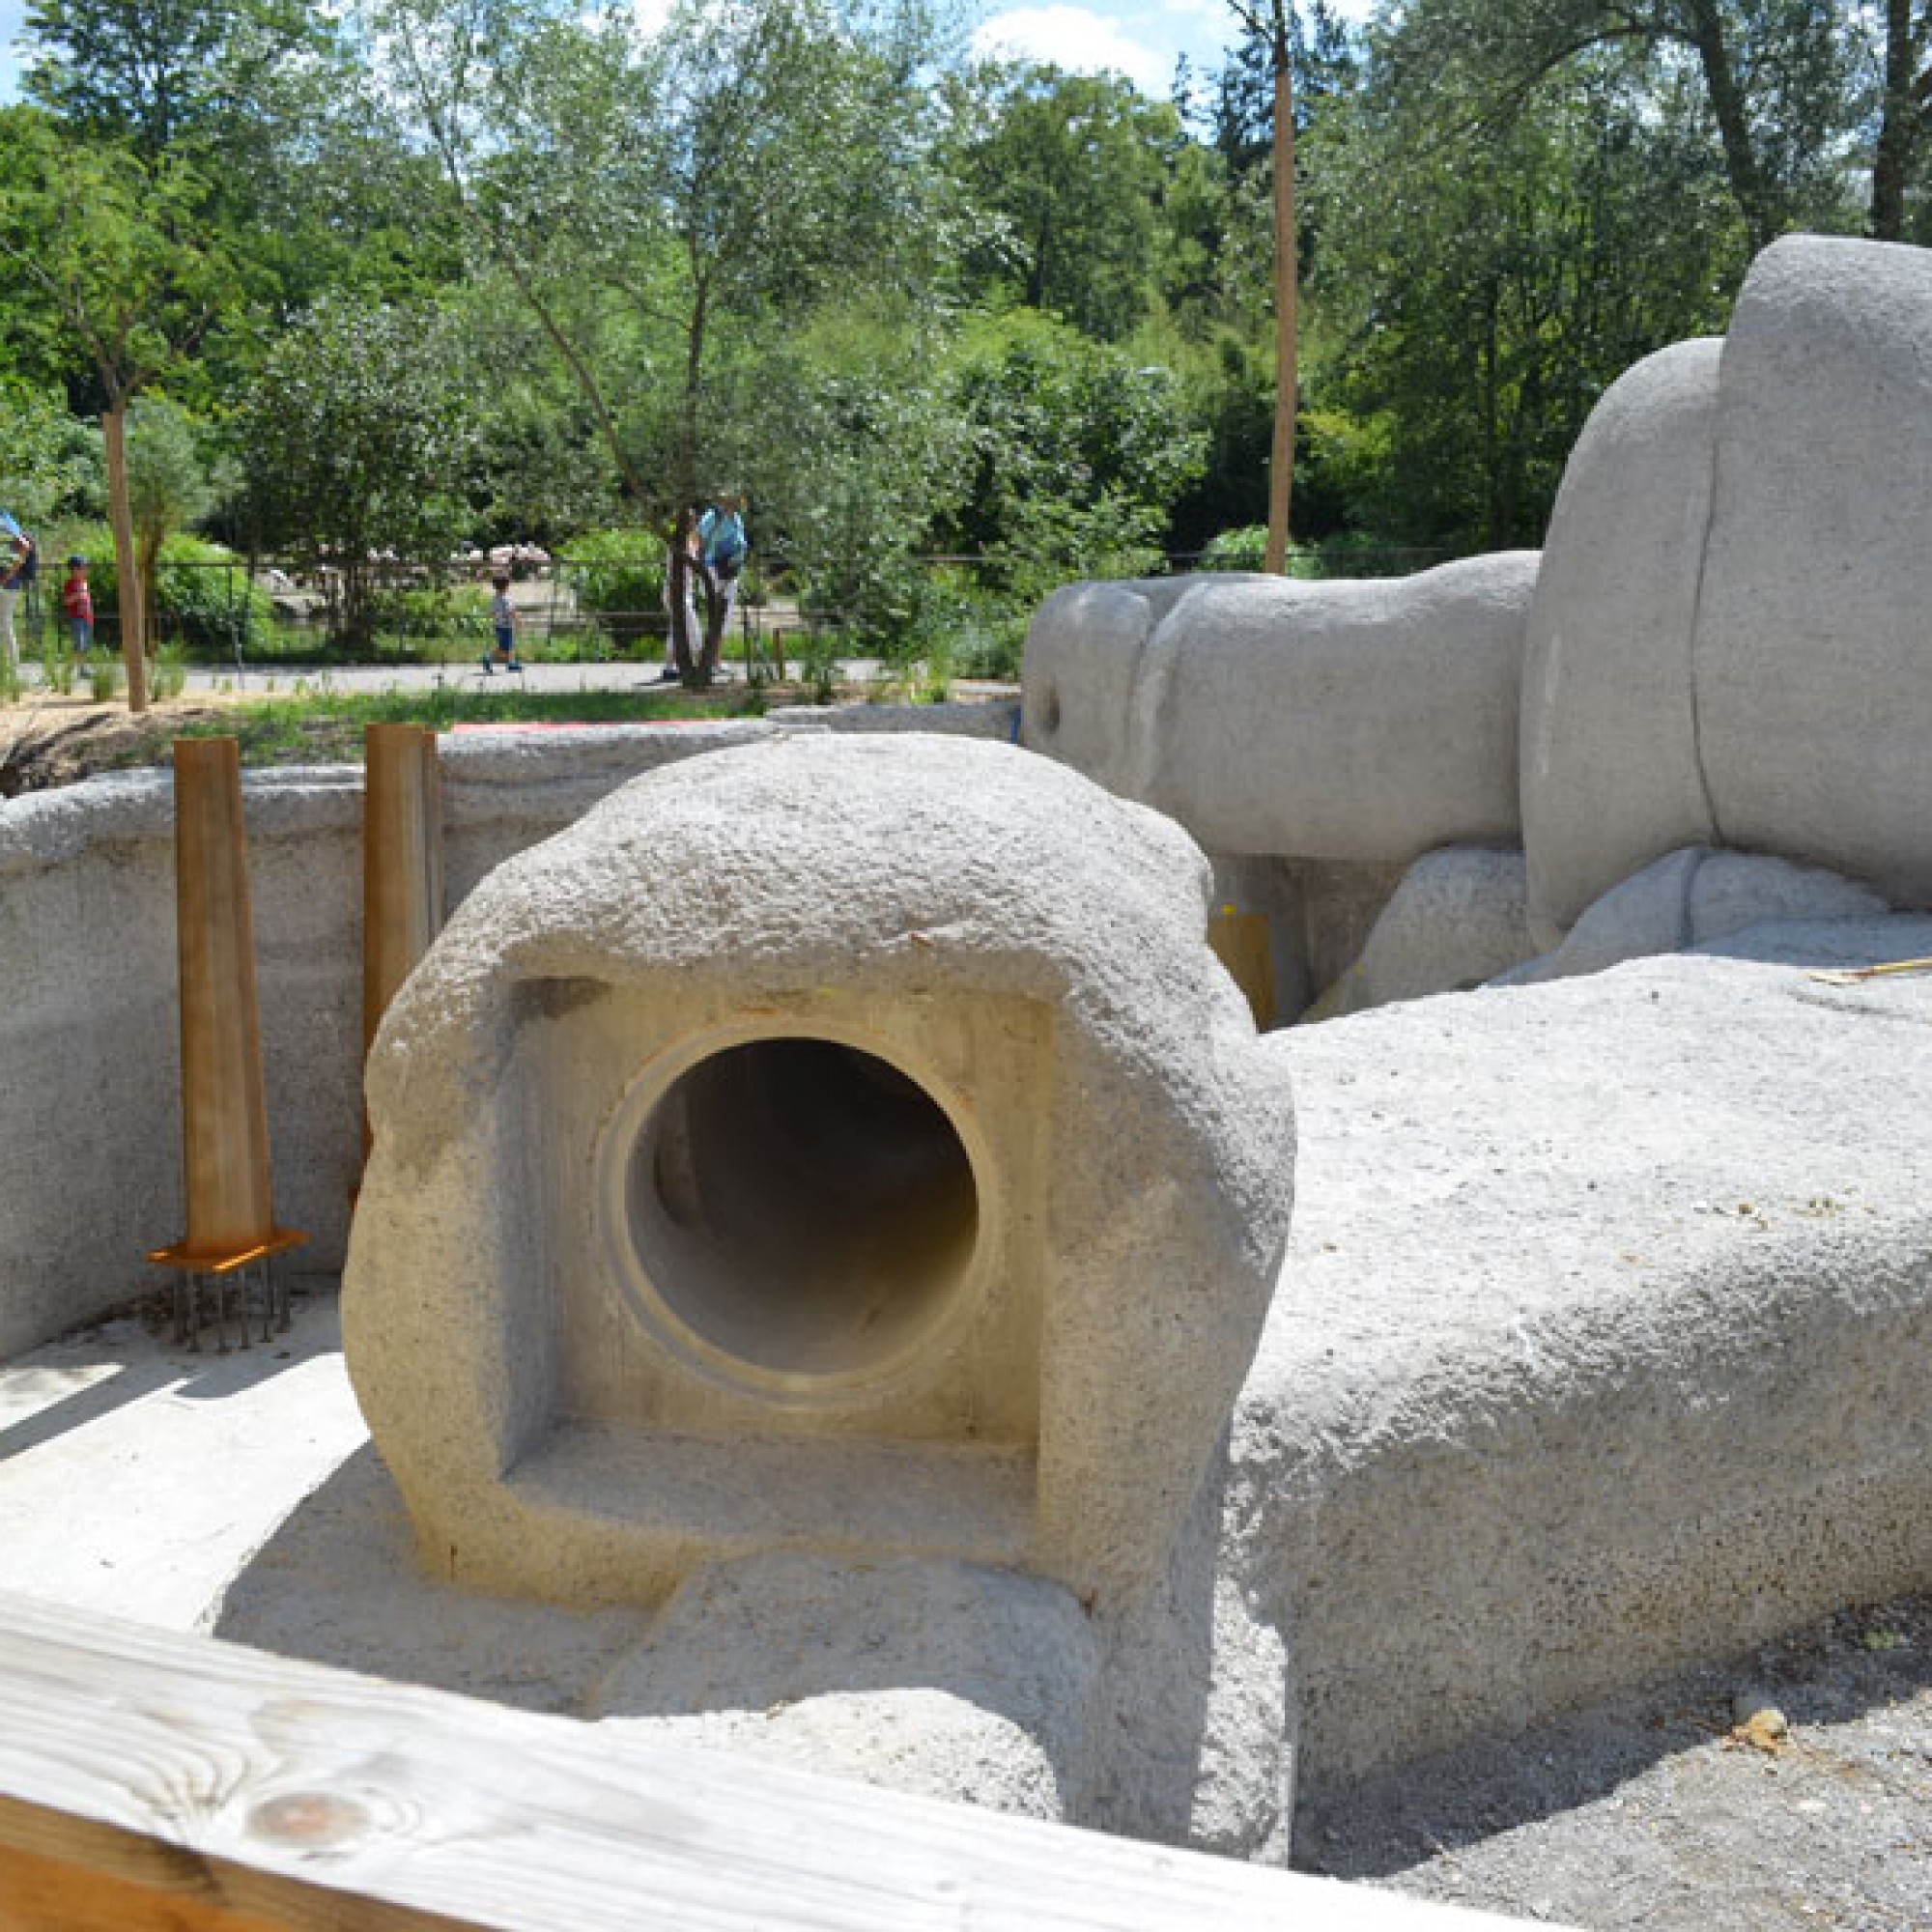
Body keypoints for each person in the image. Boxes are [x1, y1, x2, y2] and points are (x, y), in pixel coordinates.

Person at [697, 490, 748, 669]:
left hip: (731, 571)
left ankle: (716, 660)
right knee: (714, 613)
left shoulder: (737, 518)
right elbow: (700, 541)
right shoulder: (711, 517)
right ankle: (709, 660)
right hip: (714, 569)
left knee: (725, 615)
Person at [660, 506, 702, 682]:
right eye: (691, 520)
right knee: (689, 628)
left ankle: (673, 666)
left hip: (687, 591)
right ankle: (686, 664)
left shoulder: (690, 540)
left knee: (681, 628)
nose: (694, 523)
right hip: (676, 591)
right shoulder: (677, 542)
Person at [0, 516, 34, 674]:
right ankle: (9, 666)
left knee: (5, 624)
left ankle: (13, 667)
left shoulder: (5, 522)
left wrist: (8, 575)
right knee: (5, 625)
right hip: (9, 584)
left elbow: (26, 546)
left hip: (7, 586)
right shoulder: (7, 521)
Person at [480, 573, 523, 672]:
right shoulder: (507, 599)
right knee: (504, 648)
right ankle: (488, 657)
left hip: (498, 626)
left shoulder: (494, 599)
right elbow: (511, 611)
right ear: (506, 586)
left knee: (509, 645)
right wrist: (518, 620)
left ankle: (511, 663)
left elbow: (491, 613)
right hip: (506, 626)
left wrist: (493, 620)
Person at [62, 556, 94, 660]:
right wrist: (78, 594)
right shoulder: (70, 584)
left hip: (87, 617)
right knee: (79, 643)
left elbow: (87, 599)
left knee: (86, 644)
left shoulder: (84, 582)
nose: (87, 570)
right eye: (84, 568)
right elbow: (67, 601)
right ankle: (79, 667)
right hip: (77, 618)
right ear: (75, 570)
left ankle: (82, 666)